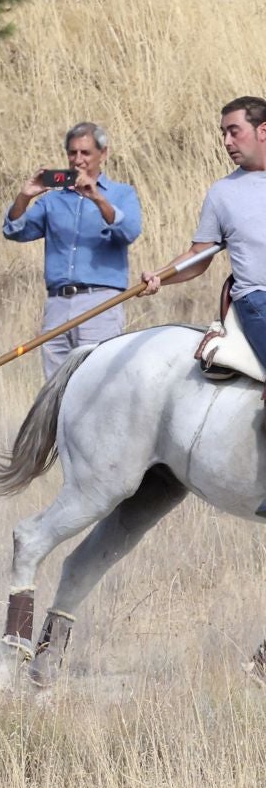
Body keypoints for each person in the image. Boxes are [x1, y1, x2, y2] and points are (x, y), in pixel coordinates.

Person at [138, 96, 266, 506]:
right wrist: (161, 275)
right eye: (223, 133)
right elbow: (198, 258)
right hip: (258, 301)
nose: (227, 141)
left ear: (263, 131)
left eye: (234, 131)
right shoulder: (223, 193)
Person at [3, 122, 144, 379]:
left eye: (85, 153)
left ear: (103, 154)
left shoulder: (121, 194)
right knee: (55, 388)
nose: (77, 160)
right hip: (57, 302)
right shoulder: (52, 199)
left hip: (99, 300)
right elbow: (15, 231)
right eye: (72, 152)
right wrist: (25, 196)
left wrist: (98, 199)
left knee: (98, 382)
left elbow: (129, 232)